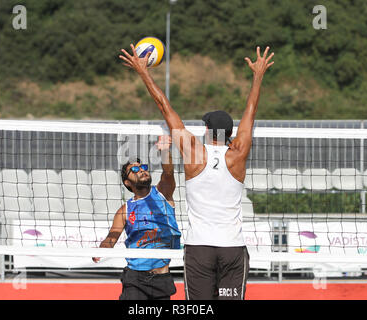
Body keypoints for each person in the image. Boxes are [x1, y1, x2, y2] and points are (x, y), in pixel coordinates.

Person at [119, 45, 274, 300]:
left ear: (206, 130)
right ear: (229, 134)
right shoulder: (238, 154)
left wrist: (143, 72)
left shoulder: (194, 153)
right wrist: (258, 76)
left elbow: (164, 107)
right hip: (232, 248)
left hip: (200, 248)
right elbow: (251, 111)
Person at [93, 135, 181, 300]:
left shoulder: (163, 192)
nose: (141, 170)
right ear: (127, 182)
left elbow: (168, 171)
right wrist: (103, 248)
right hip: (135, 278)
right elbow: (111, 238)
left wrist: (165, 151)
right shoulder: (124, 210)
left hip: (161, 278)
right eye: (134, 169)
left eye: (143, 167)